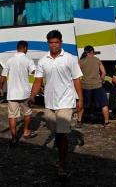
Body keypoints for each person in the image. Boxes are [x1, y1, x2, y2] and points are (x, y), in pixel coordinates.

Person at [29, 30, 84, 179]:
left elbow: (77, 80)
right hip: (50, 103)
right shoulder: (42, 61)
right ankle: (61, 159)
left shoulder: (70, 59)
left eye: (56, 42)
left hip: (66, 101)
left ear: (61, 42)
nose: (54, 45)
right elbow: (38, 81)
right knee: (56, 133)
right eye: (51, 43)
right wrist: (32, 96)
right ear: (48, 43)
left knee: (61, 134)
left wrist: (80, 100)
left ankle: (62, 165)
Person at [0, 40, 37, 146]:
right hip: (25, 93)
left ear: (17, 48)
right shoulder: (28, 60)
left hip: (12, 94)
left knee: (12, 116)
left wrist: (0, 88)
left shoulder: (9, 61)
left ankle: (14, 137)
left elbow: (3, 77)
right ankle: (26, 132)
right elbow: (35, 72)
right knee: (28, 113)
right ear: (25, 48)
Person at [78, 45, 110, 128]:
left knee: (82, 103)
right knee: (104, 104)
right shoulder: (97, 60)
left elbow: (77, 74)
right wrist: (101, 81)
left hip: (85, 86)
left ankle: (79, 121)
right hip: (97, 86)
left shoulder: (81, 61)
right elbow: (104, 73)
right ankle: (106, 123)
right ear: (92, 52)